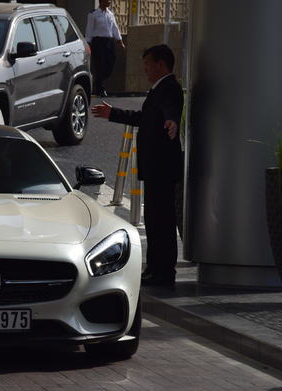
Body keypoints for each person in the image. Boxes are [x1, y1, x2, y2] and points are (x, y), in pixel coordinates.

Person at [91, 44, 183, 287]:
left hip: (162, 168)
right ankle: (154, 268)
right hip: (154, 168)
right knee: (153, 220)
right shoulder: (157, 89)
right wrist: (113, 114)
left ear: (161, 64)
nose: (145, 70)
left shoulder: (170, 88)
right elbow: (143, 119)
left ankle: (164, 272)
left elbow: (171, 110)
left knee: (162, 221)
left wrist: (173, 121)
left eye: (148, 65)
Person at [85, 0, 125, 97]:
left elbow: (115, 28)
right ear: (101, 1)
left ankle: (98, 82)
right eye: (108, 0)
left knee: (110, 62)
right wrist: (88, 44)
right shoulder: (93, 14)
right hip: (98, 42)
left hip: (109, 42)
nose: (110, 1)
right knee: (100, 64)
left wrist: (120, 41)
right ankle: (101, 88)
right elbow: (89, 29)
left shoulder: (110, 14)